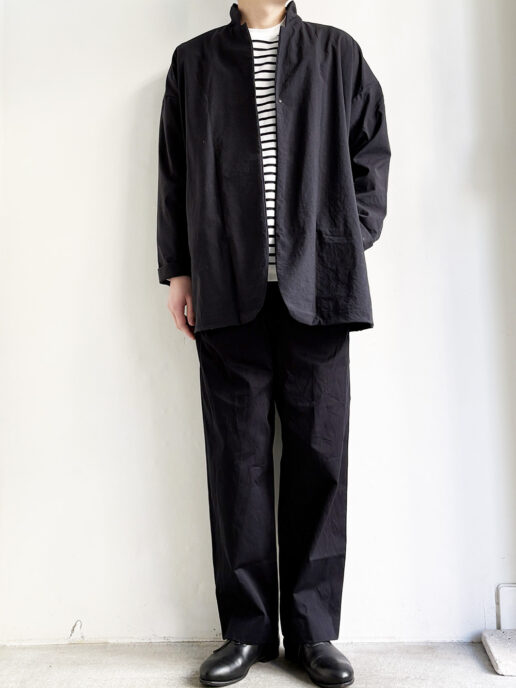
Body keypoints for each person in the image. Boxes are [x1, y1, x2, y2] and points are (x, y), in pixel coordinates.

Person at [156, 1, 390, 685]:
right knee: (238, 463)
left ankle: (314, 633)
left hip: (319, 292)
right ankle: (247, 631)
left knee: (319, 458)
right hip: (227, 291)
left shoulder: (336, 53)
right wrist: (179, 272)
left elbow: (371, 154)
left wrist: (342, 238)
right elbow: (173, 173)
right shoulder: (194, 62)